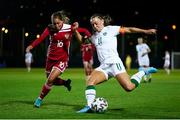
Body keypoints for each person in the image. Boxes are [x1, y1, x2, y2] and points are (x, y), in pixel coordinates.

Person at [76, 14, 158, 113]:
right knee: (90, 81)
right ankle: (89, 106)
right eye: (92, 25)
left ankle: (143, 72)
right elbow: (82, 42)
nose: (94, 26)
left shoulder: (111, 29)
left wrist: (145, 31)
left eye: (96, 23)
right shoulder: (94, 37)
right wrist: (75, 30)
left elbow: (129, 30)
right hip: (103, 67)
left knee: (129, 87)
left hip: (115, 64)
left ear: (102, 21)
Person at [26, 11, 91, 108]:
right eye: (54, 23)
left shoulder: (69, 28)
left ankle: (39, 99)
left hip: (62, 59)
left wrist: (87, 36)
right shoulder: (50, 28)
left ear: (62, 21)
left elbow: (84, 31)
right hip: (50, 59)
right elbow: (41, 38)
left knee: (50, 79)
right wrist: (31, 45)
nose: (56, 25)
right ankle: (65, 83)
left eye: (58, 23)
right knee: (51, 80)